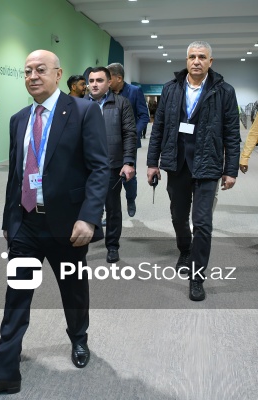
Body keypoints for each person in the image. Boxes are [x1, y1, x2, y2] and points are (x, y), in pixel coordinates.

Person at [0, 50, 109, 397]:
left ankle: (78, 338)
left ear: (58, 75)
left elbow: (100, 168)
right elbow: (17, 174)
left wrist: (89, 217)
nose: (32, 76)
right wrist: (8, 221)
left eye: (40, 70)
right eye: (27, 71)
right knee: (16, 298)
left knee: (72, 291)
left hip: (68, 226)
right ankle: (5, 373)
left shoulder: (83, 112)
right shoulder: (18, 119)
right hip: (26, 224)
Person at [147, 41, 240, 302]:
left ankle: (197, 277)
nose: (196, 61)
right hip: (177, 163)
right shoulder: (171, 89)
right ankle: (184, 250)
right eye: (192, 56)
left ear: (211, 62)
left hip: (208, 164)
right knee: (178, 216)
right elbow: (159, 127)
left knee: (202, 223)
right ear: (186, 60)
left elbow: (232, 134)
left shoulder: (224, 91)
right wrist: (152, 163)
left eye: (202, 57)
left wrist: (230, 169)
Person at [86, 67, 136, 263]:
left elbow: (130, 134)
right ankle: (90, 235)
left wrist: (128, 161)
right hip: (85, 165)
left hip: (111, 164)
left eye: (99, 80)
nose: (95, 84)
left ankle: (112, 246)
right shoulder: (79, 104)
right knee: (84, 204)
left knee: (112, 207)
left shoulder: (121, 103)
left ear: (109, 83)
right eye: (91, 81)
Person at [106, 63, 149, 218]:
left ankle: (131, 199)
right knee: (109, 177)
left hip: (128, 142)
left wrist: (132, 133)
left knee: (129, 175)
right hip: (109, 143)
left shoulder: (134, 91)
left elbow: (144, 116)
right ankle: (109, 210)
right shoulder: (106, 93)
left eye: (108, 77)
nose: (106, 81)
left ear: (119, 78)